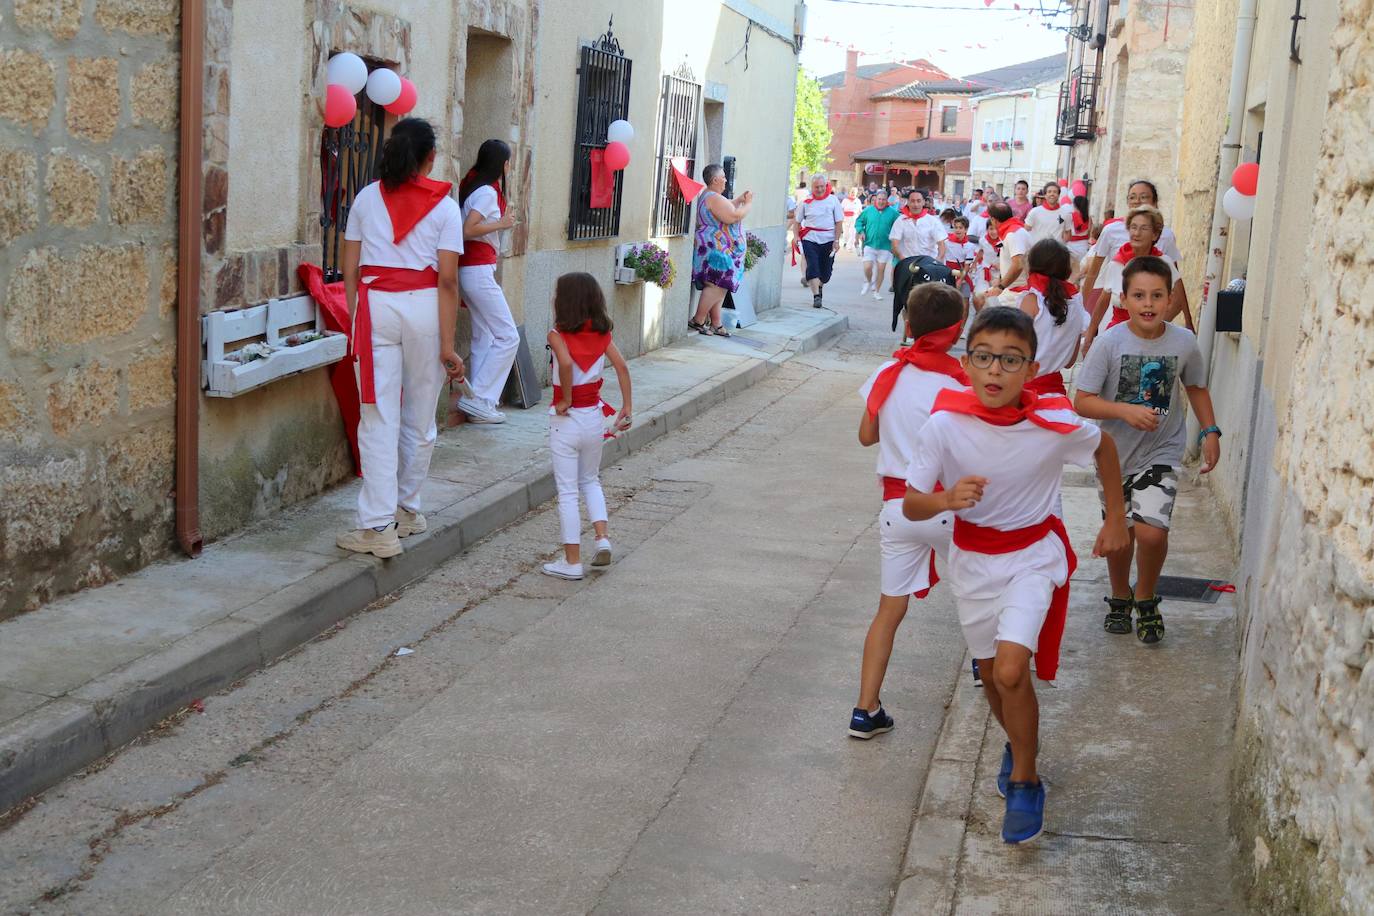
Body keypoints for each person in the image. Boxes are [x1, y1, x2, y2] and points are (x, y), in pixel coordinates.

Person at [903, 306, 1129, 844]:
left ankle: (1026, 780)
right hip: (973, 563)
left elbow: (1105, 448)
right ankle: (1018, 745)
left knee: (1009, 671)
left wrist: (1117, 517)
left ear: (1031, 369)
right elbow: (911, 503)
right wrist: (945, 498)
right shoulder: (944, 423)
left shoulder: (1052, 425)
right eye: (984, 358)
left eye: (1011, 360)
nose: (995, 372)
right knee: (992, 677)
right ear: (966, 362)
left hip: (1033, 556)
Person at [337, 117, 465, 558]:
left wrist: (357, 315)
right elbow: (448, 281)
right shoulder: (447, 209)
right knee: (420, 414)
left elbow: (350, 269)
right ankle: (407, 509)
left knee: (376, 416)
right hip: (426, 307)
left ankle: (377, 527)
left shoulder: (366, 198)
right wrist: (449, 345)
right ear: (429, 158)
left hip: (376, 307)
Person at [1074, 257, 1221, 644]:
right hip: (1114, 456)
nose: (1148, 303)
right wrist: (1123, 410)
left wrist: (1210, 430)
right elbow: (1082, 401)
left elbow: (1196, 387)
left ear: (1169, 297)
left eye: (1157, 295)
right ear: (1123, 298)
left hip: (1162, 450)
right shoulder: (1109, 343)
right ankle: (1120, 595)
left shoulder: (1183, 342)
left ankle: (1146, 597)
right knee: (1120, 534)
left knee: (1152, 533)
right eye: (1139, 295)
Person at [850, 283, 969, 739]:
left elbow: (866, 436)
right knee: (980, 593)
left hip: (897, 509)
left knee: (888, 610)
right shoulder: (960, 380)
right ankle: (984, 665)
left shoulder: (889, 371)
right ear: (956, 331)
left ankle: (865, 710)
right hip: (945, 505)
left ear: (907, 323)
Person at [542, 273, 634, 581]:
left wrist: (565, 398)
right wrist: (627, 407)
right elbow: (622, 367)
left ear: (563, 301)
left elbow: (565, 363)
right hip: (594, 418)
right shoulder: (603, 334)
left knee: (567, 491)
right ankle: (602, 538)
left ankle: (571, 562)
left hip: (566, 421)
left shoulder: (556, 334)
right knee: (591, 480)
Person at [455, 139, 519, 424]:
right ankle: (481, 398)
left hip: (472, 270)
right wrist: (502, 224)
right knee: (508, 336)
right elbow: (468, 229)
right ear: (502, 165)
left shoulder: (475, 187)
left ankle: (477, 404)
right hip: (478, 270)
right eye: (508, 161)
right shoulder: (486, 193)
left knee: (485, 337)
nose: (510, 166)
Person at [1083, 206, 1193, 353]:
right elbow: (1103, 301)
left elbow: (1179, 298)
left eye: (1144, 228)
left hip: (1151, 338)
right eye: (1133, 227)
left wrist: (1166, 322)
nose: (1137, 233)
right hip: (1118, 336)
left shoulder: (1164, 262)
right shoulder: (1116, 263)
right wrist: (1090, 336)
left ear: (1155, 234)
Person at [1080, 179, 1183, 318]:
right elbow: (1093, 273)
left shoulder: (1166, 235)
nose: (1137, 201)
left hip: (1150, 311)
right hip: (1116, 307)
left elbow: (1175, 282)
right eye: (1132, 197)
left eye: (1144, 197)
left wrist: (1176, 321)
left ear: (1154, 201)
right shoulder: (1111, 230)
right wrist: (1082, 311)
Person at [1012, 239, 1085, 396]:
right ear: (1066, 269)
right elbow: (1071, 361)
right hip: (1056, 393)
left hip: (1023, 391)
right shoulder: (1077, 302)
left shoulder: (1032, 300)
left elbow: (1014, 351)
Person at [689, 163, 751, 337]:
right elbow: (733, 215)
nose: (725, 180)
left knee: (720, 284)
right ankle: (698, 319)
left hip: (713, 246)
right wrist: (748, 204)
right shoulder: (713, 197)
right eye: (723, 177)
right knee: (717, 283)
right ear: (715, 179)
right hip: (715, 248)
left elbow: (727, 207)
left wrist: (738, 200)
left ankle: (716, 323)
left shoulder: (710, 196)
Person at [790, 173, 846, 308]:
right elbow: (797, 222)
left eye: (822, 186)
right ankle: (816, 296)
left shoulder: (833, 200)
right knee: (813, 267)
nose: (819, 190)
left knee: (826, 274)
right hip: (810, 239)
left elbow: (839, 222)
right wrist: (796, 236)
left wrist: (837, 240)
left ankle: (820, 286)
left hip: (828, 240)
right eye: (816, 187)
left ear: (826, 185)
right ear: (812, 187)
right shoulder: (806, 202)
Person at [854, 188, 900, 300]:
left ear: (887, 200)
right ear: (876, 199)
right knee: (868, 267)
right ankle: (868, 282)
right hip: (869, 243)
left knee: (881, 269)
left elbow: (900, 226)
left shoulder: (893, 213)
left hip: (885, 246)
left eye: (884, 199)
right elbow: (859, 222)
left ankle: (877, 291)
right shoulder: (868, 210)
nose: (881, 201)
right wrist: (861, 231)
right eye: (879, 199)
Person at [982, 200, 1031, 301]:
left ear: (993, 220)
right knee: (980, 299)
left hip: (1018, 292)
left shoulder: (1013, 234)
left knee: (985, 302)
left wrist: (1000, 287)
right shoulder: (1011, 230)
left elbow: (1018, 265)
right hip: (1011, 288)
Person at [889, 189, 947, 265]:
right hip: (907, 262)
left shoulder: (933, 221)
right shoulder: (900, 220)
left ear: (923, 202)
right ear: (908, 202)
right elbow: (894, 244)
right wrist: (903, 260)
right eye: (912, 201)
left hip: (928, 264)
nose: (915, 204)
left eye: (918, 201)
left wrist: (937, 261)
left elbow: (941, 244)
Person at [945, 215, 978, 303]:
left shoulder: (970, 246)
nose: (957, 230)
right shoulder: (946, 242)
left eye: (960, 227)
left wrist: (960, 280)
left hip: (962, 274)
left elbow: (967, 266)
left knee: (965, 300)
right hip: (948, 274)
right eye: (956, 227)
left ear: (966, 230)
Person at [1067, 192, 1092, 280]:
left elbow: (1066, 231)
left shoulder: (1069, 216)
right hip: (1083, 245)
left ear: (1075, 205)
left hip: (1070, 245)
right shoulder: (1089, 218)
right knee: (1081, 269)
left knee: (1069, 270)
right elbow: (1089, 234)